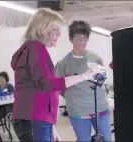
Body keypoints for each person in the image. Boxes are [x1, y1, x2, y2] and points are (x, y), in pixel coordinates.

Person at [10, 8, 103, 142]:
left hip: (37, 119)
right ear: (42, 28)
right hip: (34, 119)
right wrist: (84, 76)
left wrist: (50, 126)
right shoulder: (35, 48)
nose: (59, 34)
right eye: (55, 29)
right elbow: (46, 84)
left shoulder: (33, 49)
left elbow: (39, 91)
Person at [55, 20, 111, 141]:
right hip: (78, 110)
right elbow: (58, 87)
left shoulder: (95, 58)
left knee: (106, 139)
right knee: (83, 139)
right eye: (79, 38)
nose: (82, 42)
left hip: (99, 107)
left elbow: (102, 78)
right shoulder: (63, 64)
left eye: (85, 39)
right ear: (71, 40)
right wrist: (73, 97)